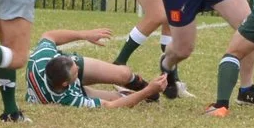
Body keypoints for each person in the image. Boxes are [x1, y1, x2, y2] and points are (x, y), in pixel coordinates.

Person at [24, 27, 170, 109]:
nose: (77, 68)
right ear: (66, 83)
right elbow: (110, 106)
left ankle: (140, 86)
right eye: (76, 71)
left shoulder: (41, 58)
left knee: (123, 74)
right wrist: (148, 90)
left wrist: (84, 34)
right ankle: (148, 92)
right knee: (120, 99)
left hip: (61, 75)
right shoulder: (67, 98)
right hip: (72, 88)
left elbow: (49, 34)